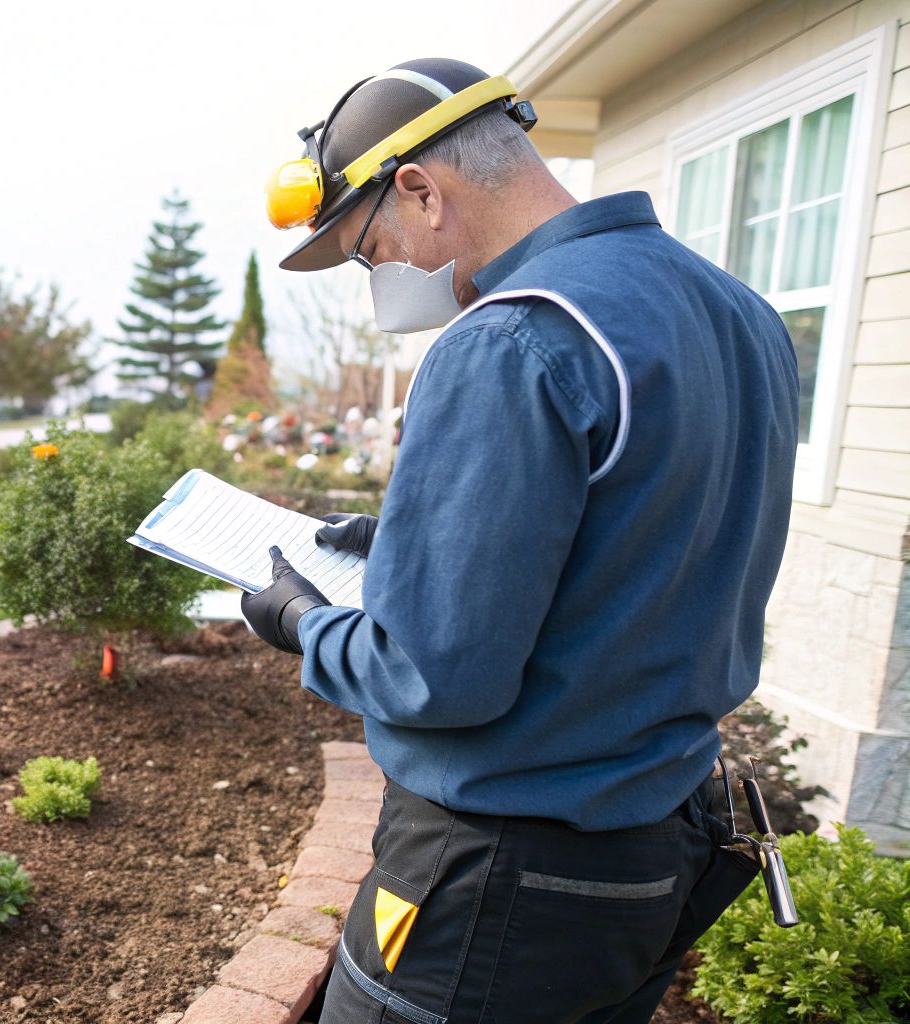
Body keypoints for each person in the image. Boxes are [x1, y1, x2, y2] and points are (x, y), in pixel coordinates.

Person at [241, 58, 798, 1023]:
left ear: (418, 187)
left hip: (498, 878)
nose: (379, 280)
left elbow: (435, 674)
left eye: (368, 250)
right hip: (653, 852)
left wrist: (303, 623)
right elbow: (641, 536)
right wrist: (415, 540)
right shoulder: (741, 314)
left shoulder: (508, 338)